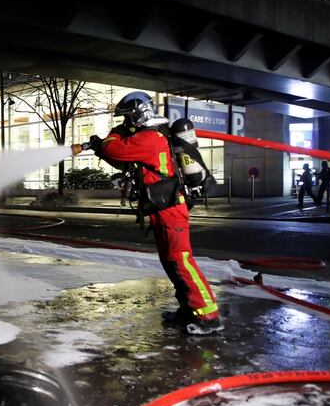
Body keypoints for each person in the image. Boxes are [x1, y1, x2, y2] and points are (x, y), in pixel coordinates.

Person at [77, 92, 223, 335]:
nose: (125, 123)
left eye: (127, 118)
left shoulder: (150, 138)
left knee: (181, 260)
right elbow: (122, 160)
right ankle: (189, 308)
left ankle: (208, 314)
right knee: (170, 260)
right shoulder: (149, 137)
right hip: (161, 206)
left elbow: (115, 150)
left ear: (137, 113)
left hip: (170, 208)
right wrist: (100, 147)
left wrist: (112, 136)